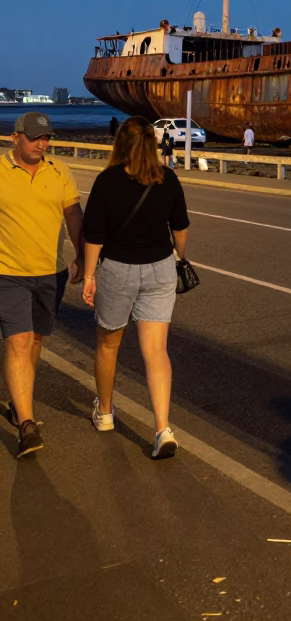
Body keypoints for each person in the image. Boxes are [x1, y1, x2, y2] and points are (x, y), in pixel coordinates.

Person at [81, 116, 190, 460]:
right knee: (156, 351)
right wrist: (177, 258)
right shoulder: (167, 178)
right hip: (160, 269)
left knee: (108, 343)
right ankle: (162, 428)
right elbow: (181, 229)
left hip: (118, 270)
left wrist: (87, 276)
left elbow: (94, 237)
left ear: (120, 144)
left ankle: (106, 413)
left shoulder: (107, 181)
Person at [0, 112, 84, 458]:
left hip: (50, 273)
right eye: (34, 138)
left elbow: (73, 215)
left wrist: (82, 256)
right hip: (8, 273)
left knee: (35, 339)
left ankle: (19, 402)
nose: (41, 144)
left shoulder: (59, 171)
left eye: (46, 137)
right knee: (18, 341)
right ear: (15, 137)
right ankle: (26, 424)